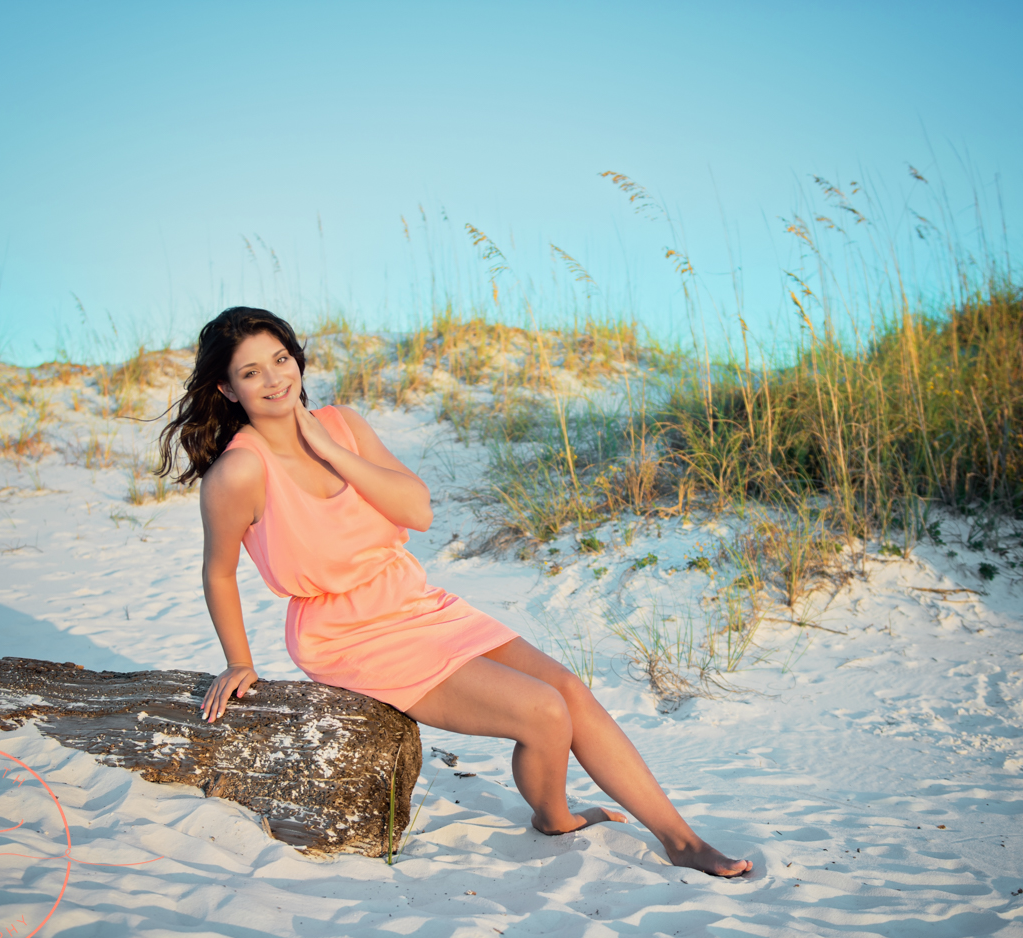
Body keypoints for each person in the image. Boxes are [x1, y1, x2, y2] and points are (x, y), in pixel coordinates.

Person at [158, 306, 752, 878]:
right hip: (347, 633)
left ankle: (681, 840)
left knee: (569, 689)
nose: (274, 378)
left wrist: (331, 449)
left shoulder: (342, 425)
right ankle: (556, 818)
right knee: (543, 712)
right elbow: (218, 570)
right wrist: (240, 660)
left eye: (281, 358)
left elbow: (416, 509)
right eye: (251, 371)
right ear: (229, 389)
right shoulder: (238, 472)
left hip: (413, 600)